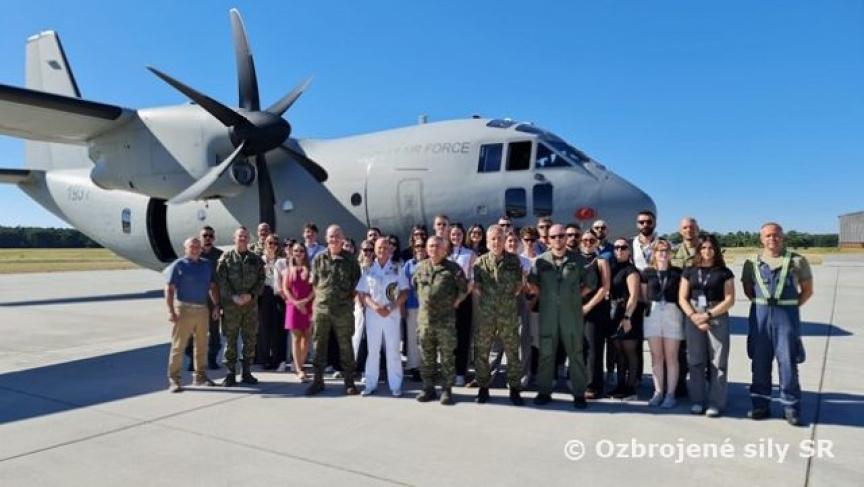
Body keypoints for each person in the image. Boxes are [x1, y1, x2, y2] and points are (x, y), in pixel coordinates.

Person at [742, 222, 813, 426]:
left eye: (776, 235)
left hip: (786, 318)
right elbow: (748, 289)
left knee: (788, 362)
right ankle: (760, 404)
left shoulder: (798, 261)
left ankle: (791, 407)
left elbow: (807, 290)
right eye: (768, 235)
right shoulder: (751, 262)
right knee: (759, 361)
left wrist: (789, 308)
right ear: (761, 238)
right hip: (760, 317)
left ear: (782, 237)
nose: (772, 239)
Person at [528, 224, 594, 409]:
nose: (558, 239)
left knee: (575, 352)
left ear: (566, 238)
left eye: (561, 236)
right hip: (548, 313)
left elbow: (590, 283)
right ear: (548, 239)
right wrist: (545, 296)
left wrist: (574, 297)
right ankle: (544, 391)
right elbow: (533, 284)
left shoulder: (578, 260)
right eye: (554, 236)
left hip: (571, 314)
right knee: (546, 352)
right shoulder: (540, 261)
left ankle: (579, 393)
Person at [678, 234, 735, 417]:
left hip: (716, 314)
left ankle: (715, 403)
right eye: (703, 248)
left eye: (710, 248)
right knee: (695, 360)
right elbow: (682, 297)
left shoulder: (724, 272)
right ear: (698, 250)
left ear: (715, 250)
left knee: (718, 361)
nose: (707, 251)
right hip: (693, 314)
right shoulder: (689, 271)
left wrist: (708, 315)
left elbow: (729, 299)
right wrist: (693, 316)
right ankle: (697, 400)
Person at [305, 225, 362, 396]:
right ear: (326, 238)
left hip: (343, 311)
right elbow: (314, 283)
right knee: (319, 346)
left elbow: (356, 285)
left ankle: (349, 382)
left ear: (342, 238)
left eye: (337, 236)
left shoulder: (351, 260)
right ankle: (318, 381)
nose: (334, 239)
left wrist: (345, 302)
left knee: (346, 346)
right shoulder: (319, 259)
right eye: (331, 236)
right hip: (322, 310)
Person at [413, 236, 469, 405]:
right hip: (425, 321)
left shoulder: (453, 269)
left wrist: (455, 302)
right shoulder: (421, 267)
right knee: (426, 355)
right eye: (431, 246)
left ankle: (446, 389)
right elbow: (416, 287)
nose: (434, 249)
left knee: (447, 357)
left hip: (445, 322)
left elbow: (463, 289)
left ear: (445, 250)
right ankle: (428, 388)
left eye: (438, 246)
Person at [472, 225, 525, 405]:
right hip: (487, 315)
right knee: (482, 352)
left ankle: (515, 389)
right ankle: (483, 388)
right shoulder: (480, 263)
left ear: (504, 241)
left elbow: (518, 286)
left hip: (507, 315)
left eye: (499, 238)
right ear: (487, 242)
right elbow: (477, 287)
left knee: (512, 353)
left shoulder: (514, 261)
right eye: (493, 239)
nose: (496, 242)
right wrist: (491, 301)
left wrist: (503, 301)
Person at [164, 237, 220, 392]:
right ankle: (174, 380)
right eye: (192, 246)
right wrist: (171, 311)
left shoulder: (207, 265)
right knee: (178, 346)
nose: (195, 249)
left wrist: (216, 305)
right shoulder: (178, 265)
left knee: (202, 345)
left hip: (202, 309)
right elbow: (169, 289)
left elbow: (213, 286)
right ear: (185, 249)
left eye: (197, 246)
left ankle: (200, 376)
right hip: (184, 309)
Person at [356, 237, 409, 397]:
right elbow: (363, 293)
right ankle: (370, 384)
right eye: (379, 248)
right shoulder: (368, 270)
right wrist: (375, 307)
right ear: (375, 250)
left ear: (390, 250)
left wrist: (392, 307)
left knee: (393, 351)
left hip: (392, 314)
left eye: (385, 248)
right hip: (374, 315)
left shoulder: (397, 269)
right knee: (373, 351)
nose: (382, 251)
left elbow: (405, 291)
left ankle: (395, 385)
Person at [216, 227, 265, 387]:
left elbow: (261, 280)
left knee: (249, 339)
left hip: (250, 306)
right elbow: (222, 281)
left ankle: (246, 371)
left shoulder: (256, 259)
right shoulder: (226, 258)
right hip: (232, 306)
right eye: (240, 236)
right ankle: (230, 373)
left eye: (245, 236)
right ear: (234, 238)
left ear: (248, 239)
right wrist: (233, 297)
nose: (242, 239)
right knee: (230, 339)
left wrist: (251, 295)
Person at [641, 239, 684, 409]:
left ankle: (670, 394)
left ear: (671, 253)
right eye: (660, 250)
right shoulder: (647, 273)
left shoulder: (677, 273)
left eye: (666, 250)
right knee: (656, 356)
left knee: (671, 357)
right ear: (654, 253)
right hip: (653, 313)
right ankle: (658, 392)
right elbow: (644, 296)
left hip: (673, 313)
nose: (663, 254)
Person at [607, 238, 643, 401]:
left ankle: (631, 388)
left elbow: (634, 296)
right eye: (616, 247)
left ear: (629, 251)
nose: (619, 250)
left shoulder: (631, 270)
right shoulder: (614, 268)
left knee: (630, 353)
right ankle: (620, 385)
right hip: (615, 313)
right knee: (619, 353)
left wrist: (627, 317)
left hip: (629, 314)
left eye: (623, 247)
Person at [184, 226, 223, 370]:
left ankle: (212, 358)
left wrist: (219, 304)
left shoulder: (220, 255)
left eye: (210, 236)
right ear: (200, 238)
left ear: (214, 238)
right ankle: (192, 359)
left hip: (213, 297)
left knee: (214, 331)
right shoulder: (193, 254)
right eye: (205, 235)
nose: (208, 238)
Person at [579, 231, 611, 399]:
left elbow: (605, 287)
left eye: (591, 240)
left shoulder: (601, 261)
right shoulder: (574, 259)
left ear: (597, 243)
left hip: (595, 309)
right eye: (584, 240)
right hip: (576, 309)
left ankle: (593, 386)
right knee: (580, 347)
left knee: (593, 349)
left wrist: (589, 306)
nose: (588, 243)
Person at [449, 223, 476, 387]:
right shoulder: (445, 253)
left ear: (463, 236)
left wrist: (460, 299)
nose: (456, 237)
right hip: (446, 300)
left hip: (463, 299)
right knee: (448, 337)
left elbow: (472, 280)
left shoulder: (469, 253)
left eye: (459, 234)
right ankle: (449, 371)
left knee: (463, 337)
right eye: (453, 234)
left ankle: (460, 372)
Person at [283, 242, 314, 382]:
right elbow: (285, 289)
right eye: (296, 251)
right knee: (296, 338)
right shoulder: (288, 271)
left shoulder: (310, 269)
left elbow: (315, 288)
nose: (298, 253)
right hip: (293, 306)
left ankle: (300, 366)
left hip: (308, 305)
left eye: (301, 251)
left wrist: (305, 301)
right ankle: (298, 369)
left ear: (305, 253)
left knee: (306, 336)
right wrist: (296, 302)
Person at [256, 234, 287, 370]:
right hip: (264, 293)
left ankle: (276, 358)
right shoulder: (259, 260)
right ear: (265, 244)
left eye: (274, 243)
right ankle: (264, 359)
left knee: (277, 327)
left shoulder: (281, 261)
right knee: (264, 328)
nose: (272, 245)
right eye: (269, 243)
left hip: (277, 294)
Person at [403, 237, 428, 382]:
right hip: (412, 305)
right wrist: (403, 307)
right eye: (417, 246)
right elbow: (403, 287)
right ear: (414, 248)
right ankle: (414, 367)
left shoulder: (431, 263)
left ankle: (426, 366)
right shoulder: (408, 265)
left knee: (426, 338)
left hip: (428, 307)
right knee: (412, 338)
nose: (420, 248)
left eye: (423, 245)